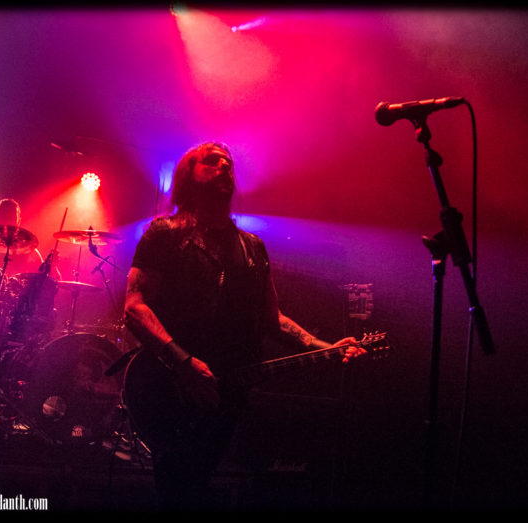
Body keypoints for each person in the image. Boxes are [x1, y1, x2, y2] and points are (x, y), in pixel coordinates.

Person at [123, 142, 367, 510]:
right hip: (170, 387)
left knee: (201, 487)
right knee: (177, 487)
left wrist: (327, 348)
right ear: (189, 175)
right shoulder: (165, 233)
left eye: (228, 163)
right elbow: (134, 307)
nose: (224, 166)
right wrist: (184, 363)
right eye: (212, 161)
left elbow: (272, 319)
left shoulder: (252, 248)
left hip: (226, 395)